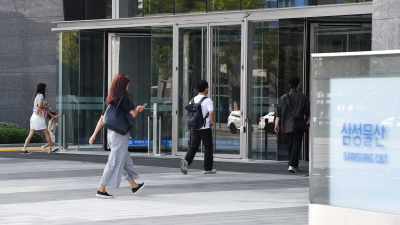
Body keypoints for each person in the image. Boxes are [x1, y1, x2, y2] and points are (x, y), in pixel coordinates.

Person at [89, 74, 146, 199]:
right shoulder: (124, 98)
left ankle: (134, 185)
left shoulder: (110, 98)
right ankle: (101, 189)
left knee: (123, 160)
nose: (128, 85)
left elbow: (102, 119)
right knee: (114, 161)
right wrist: (138, 109)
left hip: (111, 134)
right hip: (120, 135)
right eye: (127, 83)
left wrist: (94, 134)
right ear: (123, 85)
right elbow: (133, 114)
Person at [275, 76, 310, 173]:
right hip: (298, 125)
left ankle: (295, 164)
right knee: (296, 145)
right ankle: (291, 165)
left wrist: (276, 124)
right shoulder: (303, 97)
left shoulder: (283, 98)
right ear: (298, 85)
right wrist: (309, 120)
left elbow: (278, 113)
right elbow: (308, 111)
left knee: (291, 145)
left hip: (286, 125)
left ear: (289, 85)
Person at [181, 80, 216, 175]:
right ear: (206, 89)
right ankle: (208, 169)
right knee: (208, 147)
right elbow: (211, 112)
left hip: (194, 127)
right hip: (204, 128)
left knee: (193, 146)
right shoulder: (208, 100)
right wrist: (212, 120)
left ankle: (186, 161)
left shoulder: (192, 100)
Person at [22, 83, 60, 154]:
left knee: (31, 134)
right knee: (47, 133)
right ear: (43, 88)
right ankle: (53, 148)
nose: (46, 89)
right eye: (45, 88)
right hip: (38, 117)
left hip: (33, 116)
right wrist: (47, 107)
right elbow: (40, 106)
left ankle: (24, 149)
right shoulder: (41, 95)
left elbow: (40, 107)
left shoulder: (37, 95)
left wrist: (51, 114)